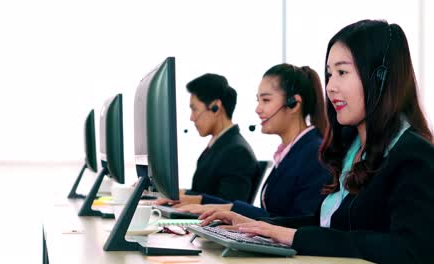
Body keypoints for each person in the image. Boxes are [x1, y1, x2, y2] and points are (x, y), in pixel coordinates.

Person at [199, 20, 434, 264]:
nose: (330, 87)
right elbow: (325, 224)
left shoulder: (413, 155)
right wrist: (258, 226)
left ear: (380, 79)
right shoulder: (351, 147)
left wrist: (295, 237)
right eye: (329, 75)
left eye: (342, 73)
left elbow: (412, 250)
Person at [173, 64, 331, 220]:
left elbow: (299, 224)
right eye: (258, 100)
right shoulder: (291, 152)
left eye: (266, 100)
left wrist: (229, 210)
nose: (258, 109)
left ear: (294, 103)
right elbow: (275, 215)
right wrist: (211, 204)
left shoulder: (314, 154)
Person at [172, 73, 259, 202]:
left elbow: (229, 204)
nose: (191, 118)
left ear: (215, 107)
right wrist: (176, 194)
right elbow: (204, 192)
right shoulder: (219, 145)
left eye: (194, 109)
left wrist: (185, 199)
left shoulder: (237, 151)